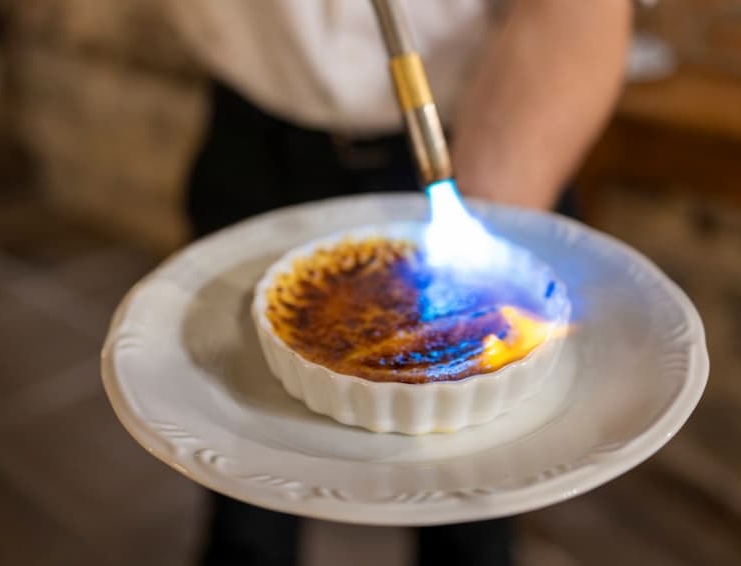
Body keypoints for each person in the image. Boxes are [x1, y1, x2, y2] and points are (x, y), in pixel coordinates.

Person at [167, 1, 633, 565]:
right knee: (243, 502)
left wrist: (479, 263)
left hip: (489, 139)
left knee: (470, 515)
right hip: (256, 136)